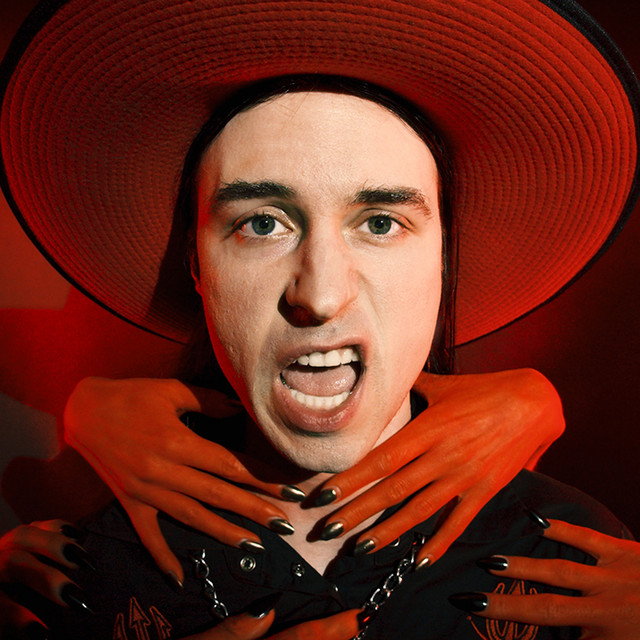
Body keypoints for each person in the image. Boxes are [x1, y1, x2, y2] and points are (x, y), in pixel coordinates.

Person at [0, 0, 638, 639]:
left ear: (444, 262)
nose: (322, 295)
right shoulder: (83, 578)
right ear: (196, 265)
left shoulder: (585, 567)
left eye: (381, 223)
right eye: (262, 224)